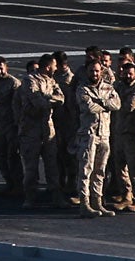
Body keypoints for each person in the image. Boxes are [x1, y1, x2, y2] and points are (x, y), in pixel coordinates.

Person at [16, 53, 67, 208]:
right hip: (31, 130)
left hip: (47, 129)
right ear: (47, 66)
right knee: (31, 167)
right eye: (54, 66)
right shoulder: (30, 80)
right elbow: (38, 103)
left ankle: (56, 197)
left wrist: (47, 98)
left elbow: (61, 98)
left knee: (52, 166)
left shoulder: (51, 81)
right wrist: (49, 100)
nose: (56, 68)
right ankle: (30, 197)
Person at [74, 60, 121, 218]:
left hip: (104, 134)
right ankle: (84, 203)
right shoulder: (82, 89)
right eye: (92, 71)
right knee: (86, 169)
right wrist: (105, 104)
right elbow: (89, 108)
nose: (94, 74)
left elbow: (117, 104)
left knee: (100, 170)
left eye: (97, 71)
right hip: (89, 134)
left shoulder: (108, 87)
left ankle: (97, 200)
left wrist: (101, 102)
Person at [109, 61, 135, 212]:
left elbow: (128, 106)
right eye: (125, 73)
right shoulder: (119, 86)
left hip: (133, 132)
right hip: (119, 131)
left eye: (130, 73)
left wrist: (111, 102)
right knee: (120, 166)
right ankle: (126, 195)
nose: (128, 76)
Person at [0, 56, 23, 196]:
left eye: (1, 68)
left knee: (13, 156)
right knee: (0, 155)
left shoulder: (13, 83)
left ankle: (18, 185)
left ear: (6, 67)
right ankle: (9, 183)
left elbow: (18, 105)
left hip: (12, 125)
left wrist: (17, 125)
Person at [52, 50, 79, 204]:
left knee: (70, 155)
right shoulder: (54, 78)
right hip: (57, 121)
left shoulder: (70, 79)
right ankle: (60, 183)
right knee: (58, 155)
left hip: (68, 122)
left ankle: (71, 183)